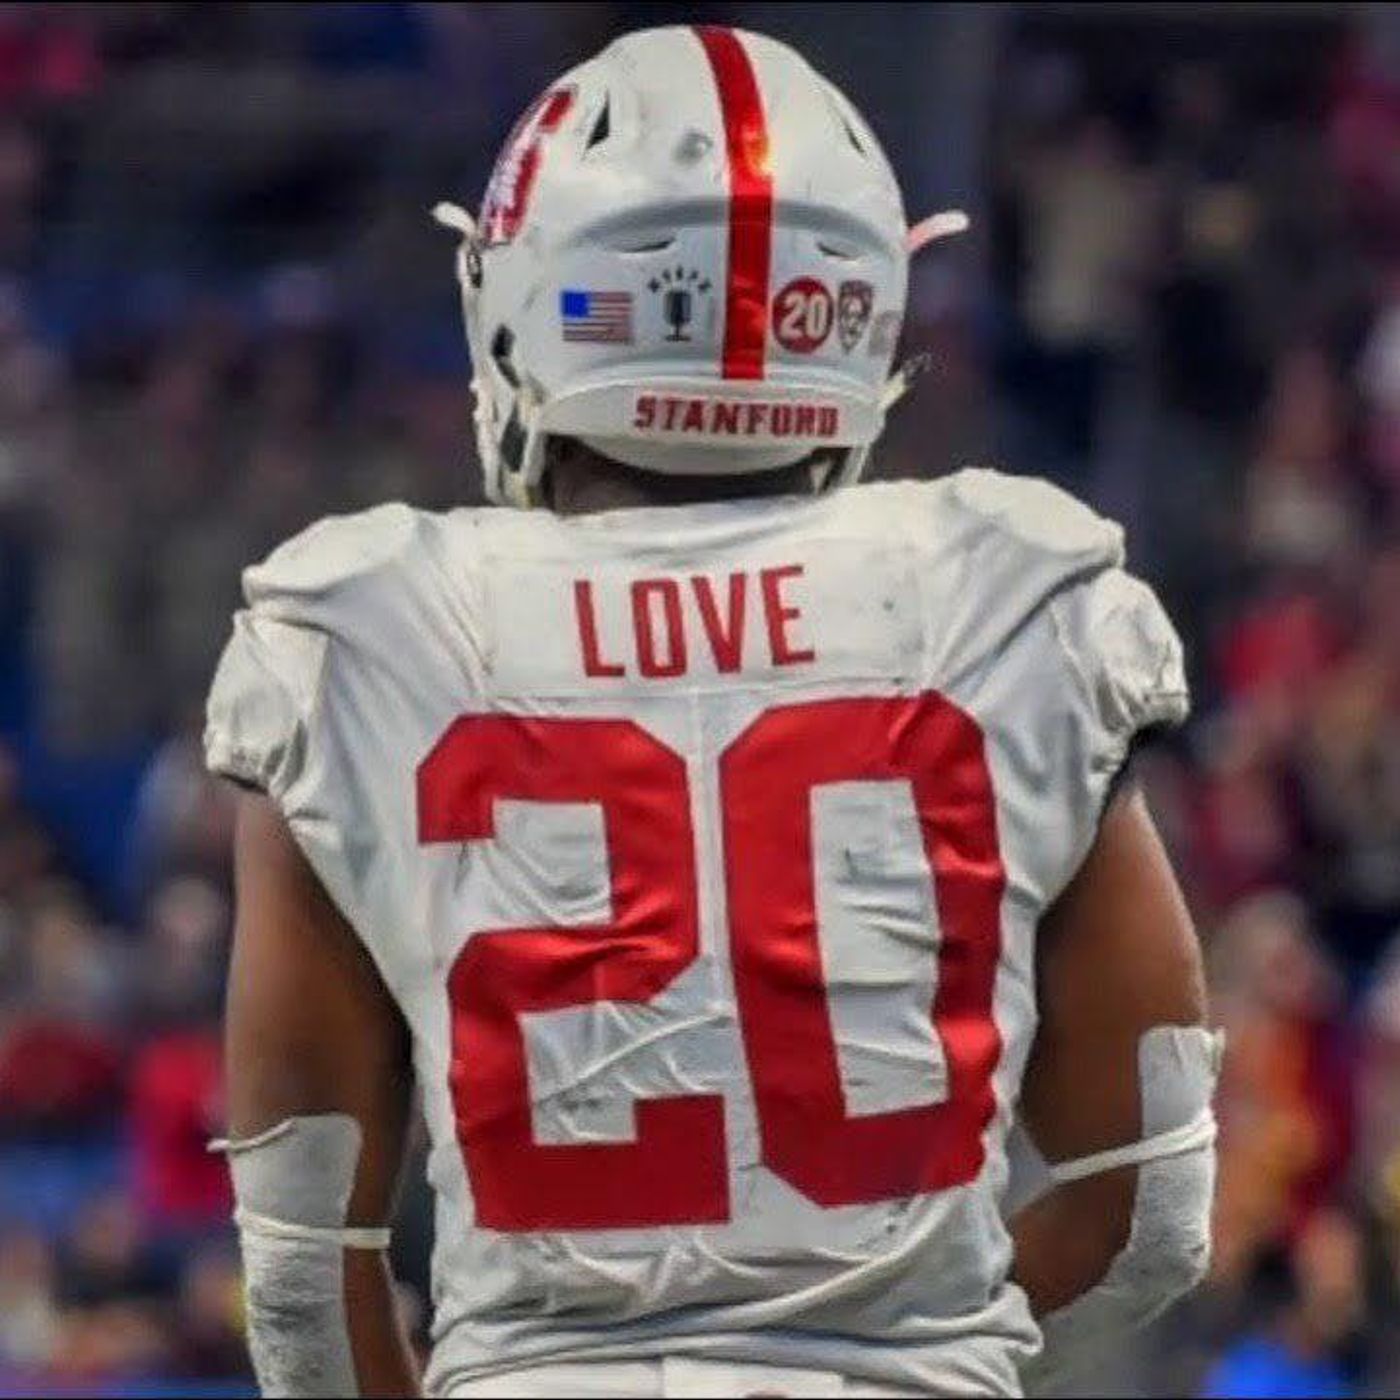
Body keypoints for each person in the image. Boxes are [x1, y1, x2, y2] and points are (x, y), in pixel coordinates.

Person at [205, 26, 1218, 1399]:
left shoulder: (366, 629)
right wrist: (921, 1352)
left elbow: (305, 1299)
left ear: (525, 293)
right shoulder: (1010, 596)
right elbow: (1150, 1211)